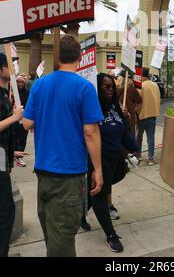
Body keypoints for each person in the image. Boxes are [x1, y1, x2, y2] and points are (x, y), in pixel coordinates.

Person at [22, 35, 103, 257]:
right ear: (79, 56)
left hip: (44, 174)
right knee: (62, 245)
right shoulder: (85, 88)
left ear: (57, 57)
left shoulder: (39, 85)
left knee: (53, 237)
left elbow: (27, 122)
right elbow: (91, 131)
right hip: (68, 175)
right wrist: (98, 169)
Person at [85, 73, 137, 252]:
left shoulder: (116, 108)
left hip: (116, 160)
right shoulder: (91, 109)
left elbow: (123, 132)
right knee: (100, 193)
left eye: (112, 87)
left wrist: (133, 145)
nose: (110, 90)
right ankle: (111, 235)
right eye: (106, 86)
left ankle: (82, 209)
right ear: (97, 88)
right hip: (98, 158)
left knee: (105, 184)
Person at [0, 53, 24, 257]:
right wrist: (15, 117)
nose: (14, 69)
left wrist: (12, 151)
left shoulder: (2, 94)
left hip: (2, 157)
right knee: (6, 210)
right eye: (10, 65)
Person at [136, 67, 160, 166]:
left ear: (141, 75)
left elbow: (137, 101)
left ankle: (138, 156)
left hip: (141, 115)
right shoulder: (155, 85)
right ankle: (150, 158)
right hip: (152, 114)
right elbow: (158, 99)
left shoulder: (140, 86)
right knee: (151, 137)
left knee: (138, 137)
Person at [14, 75, 30, 167]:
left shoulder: (28, 93)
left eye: (22, 82)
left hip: (24, 120)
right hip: (13, 120)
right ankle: (13, 155)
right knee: (14, 137)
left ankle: (19, 158)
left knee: (23, 138)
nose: (20, 84)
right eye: (18, 82)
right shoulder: (12, 93)